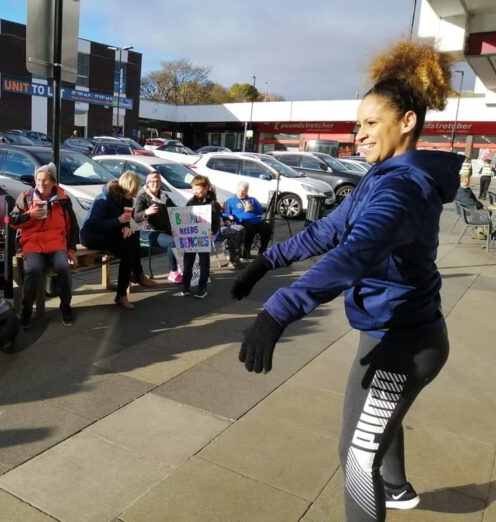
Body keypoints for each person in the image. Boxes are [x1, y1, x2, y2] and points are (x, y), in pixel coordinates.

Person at [231, 40, 461, 521]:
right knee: (374, 420)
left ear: (407, 122)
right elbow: (330, 230)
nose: (359, 134)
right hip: (388, 331)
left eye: (370, 123)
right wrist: (267, 260)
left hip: (405, 342)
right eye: (358, 124)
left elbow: (358, 252)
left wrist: (279, 311)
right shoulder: (382, 175)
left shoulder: (403, 186)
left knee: (355, 457)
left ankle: (385, 487)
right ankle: (397, 489)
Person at [9, 163, 79, 328]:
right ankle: (26, 310)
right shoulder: (26, 197)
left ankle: (65, 306)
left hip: (56, 244)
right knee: (34, 270)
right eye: (38, 180)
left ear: (54, 182)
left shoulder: (63, 200)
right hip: (33, 243)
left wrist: (71, 250)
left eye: (45, 180)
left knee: (63, 267)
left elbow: (72, 227)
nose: (41, 183)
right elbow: (11, 221)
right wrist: (29, 215)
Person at [80, 171, 157, 310]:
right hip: (92, 236)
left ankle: (136, 276)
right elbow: (93, 224)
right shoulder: (105, 198)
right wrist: (117, 221)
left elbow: (128, 219)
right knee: (128, 250)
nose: (135, 194)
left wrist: (128, 227)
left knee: (133, 237)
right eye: (134, 190)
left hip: (109, 233)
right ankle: (124, 291)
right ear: (127, 187)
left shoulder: (127, 198)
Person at [133, 171, 181, 282]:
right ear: (147, 183)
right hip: (147, 232)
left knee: (184, 238)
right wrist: (147, 212)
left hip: (164, 229)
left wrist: (190, 209)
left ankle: (182, 267)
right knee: (172, 242)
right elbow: (136, 217)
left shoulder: (164, 195)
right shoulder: (142, 196)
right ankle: (172, 272)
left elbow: (175, 209)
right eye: (153, 181)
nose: (155, 183)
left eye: (158, 181)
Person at [178, 175, 220, 299]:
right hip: (190, 238)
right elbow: (183, 219)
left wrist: (213, 231)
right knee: (188, 263)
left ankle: (202, 288)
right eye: (195, 189)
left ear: (207, 188)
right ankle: (185, 286)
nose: (197, 192)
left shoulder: (213, 203)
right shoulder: (190, 202)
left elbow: (217, 223)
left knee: (204, 264)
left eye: (200, 189)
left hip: (204, 238)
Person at [222, 181, 272, 260]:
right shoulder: (230, 201)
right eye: (239, 191)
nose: (241, 193)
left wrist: (253, 208)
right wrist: (228, 217)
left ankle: (262, 251)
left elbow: (261, 210)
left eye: (244, 191)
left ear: (247, 191)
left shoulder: (252, 199)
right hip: (241, 222)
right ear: (236, 190)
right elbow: (225, 213)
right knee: (249, 229)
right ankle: (246, 252)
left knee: (267, 227)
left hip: (256, 221)